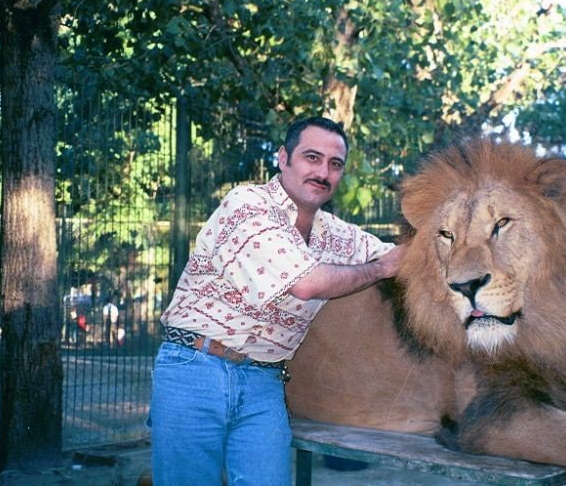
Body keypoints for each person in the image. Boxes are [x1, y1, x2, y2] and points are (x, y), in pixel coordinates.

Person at [149, 117, 404, 486]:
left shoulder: (335, 234)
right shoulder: (247, 203)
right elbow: (305, 284)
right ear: (283, 158)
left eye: (335, 164)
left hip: (264, 381)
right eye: (312, 157)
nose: (323, 172)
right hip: (194, 369)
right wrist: (378, 269)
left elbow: (401, 258)